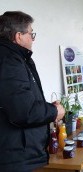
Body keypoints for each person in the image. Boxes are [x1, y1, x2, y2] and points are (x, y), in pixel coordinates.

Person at [0, 11, 65, 171]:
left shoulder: (15, 58)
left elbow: (19, 100)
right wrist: (54, 111)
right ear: (18, 36)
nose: (33, 39)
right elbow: (24, 111)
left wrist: (49, 108)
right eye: (31, 33)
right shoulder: (10, 62)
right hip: (14, 155)